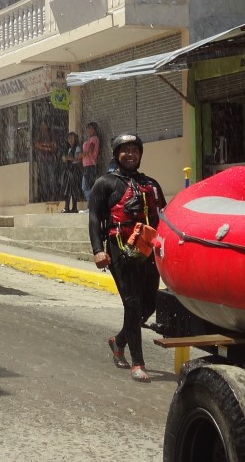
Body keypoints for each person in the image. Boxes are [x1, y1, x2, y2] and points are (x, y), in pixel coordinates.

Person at [87, 133, 166, 383]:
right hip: (120, 248)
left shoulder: (151, 184)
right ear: (116, 154)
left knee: (149, 304)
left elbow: (163, 217)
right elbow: (94, 219)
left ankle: (119, 341)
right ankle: (138, 362)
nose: (130, 154)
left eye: (135, 150)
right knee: (132, 303)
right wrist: (98, 250)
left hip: (147, 249)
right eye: (125, 150)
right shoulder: (105, 183)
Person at [34, 120, 58, 202]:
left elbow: (54, 145)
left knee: (52, 178)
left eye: (44, 125)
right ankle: (45, 196)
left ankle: (53, 195)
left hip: (51, 160)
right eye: (42, 125)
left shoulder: (51, 134)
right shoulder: (39, 135)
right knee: (44, 179)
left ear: (47, 126)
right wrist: (46, 147)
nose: (43, 127)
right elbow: (37, 144)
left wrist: (43, 145)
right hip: (42, 160)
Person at [60, 132, 82, 213]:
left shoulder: (77, 148)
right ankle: (67, 207)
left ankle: (74, 208)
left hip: (74, 170)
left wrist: (68, 158)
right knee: (67, 189)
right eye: (69, 138)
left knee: (73, 189)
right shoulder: (69, 149)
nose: (70, 140)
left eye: (72, 138)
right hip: (69, 170)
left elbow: (78, 159)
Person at [81, 121, 102, 202]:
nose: (88, 130)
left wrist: (81, 155)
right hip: (87, 166)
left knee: (86, 186)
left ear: (95, 130)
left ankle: (91, 203)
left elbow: (90, 151)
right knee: (88, 186)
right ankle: (92, 203)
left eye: (91, 128)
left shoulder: (94, 138)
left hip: (90, 165)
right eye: (87, 128)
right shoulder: (90, 139)